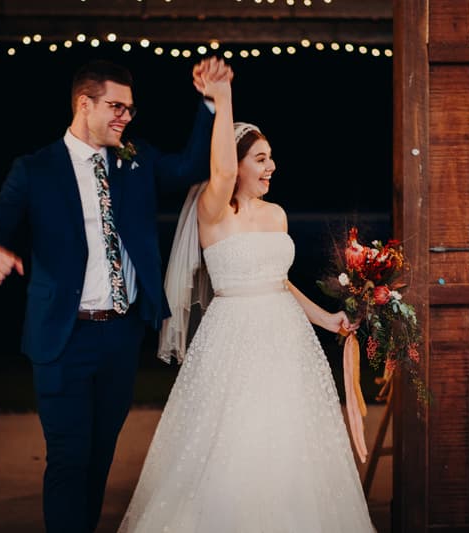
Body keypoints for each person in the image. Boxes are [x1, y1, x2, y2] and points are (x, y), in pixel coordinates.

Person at [0, 56, 233, 533]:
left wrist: (211, 105)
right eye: (116, 107)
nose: (125, 118)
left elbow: (190, 167)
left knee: (98, 457)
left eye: (130, 109)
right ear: (83, 104)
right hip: (63, 336)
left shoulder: (137, 158)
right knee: (69, 458)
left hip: (120, 336)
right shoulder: (35, 169)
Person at [118, 67, 377, 532]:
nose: (270, 166)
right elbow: (217, 170)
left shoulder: (276, 214)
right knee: (235, 443)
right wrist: (223, 97)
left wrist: (329, 319)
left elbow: (280, 282)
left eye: (271, 157)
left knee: (292, 444)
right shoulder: (212, 211)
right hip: (233, 342)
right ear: (234, 164)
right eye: (259, 158)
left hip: (288, 344)